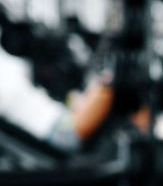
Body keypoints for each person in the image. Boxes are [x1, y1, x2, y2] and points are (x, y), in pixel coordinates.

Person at [0, 12, 135, 153]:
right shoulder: (13, 77)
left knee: (106, 89)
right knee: (107, 87)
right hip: (62, 130)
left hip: (62, 120)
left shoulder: (23, 73)